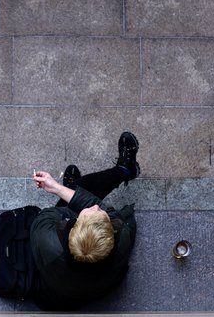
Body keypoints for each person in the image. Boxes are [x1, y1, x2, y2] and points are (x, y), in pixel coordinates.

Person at [30, 131, 139, 310]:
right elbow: (99, 204)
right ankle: (125, 170)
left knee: (80, 190)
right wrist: (62, 190)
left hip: (56, 293)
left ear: (74, 227)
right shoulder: (122, 239)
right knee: (83, 190)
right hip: (97, 289)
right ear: (111, 235)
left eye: (88, 213)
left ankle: (79, 183)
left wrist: (59, 189)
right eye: (100, 213)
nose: (96, 207)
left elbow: (50, 213)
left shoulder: (46, 239)